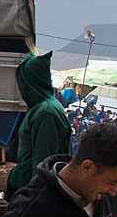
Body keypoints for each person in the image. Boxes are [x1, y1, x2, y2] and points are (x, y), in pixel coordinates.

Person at [6, 51, 72, 200]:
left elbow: (43, 165)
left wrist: (32, 201)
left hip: (36, 196)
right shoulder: (41, 108)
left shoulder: (46, 113)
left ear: (30, 83)